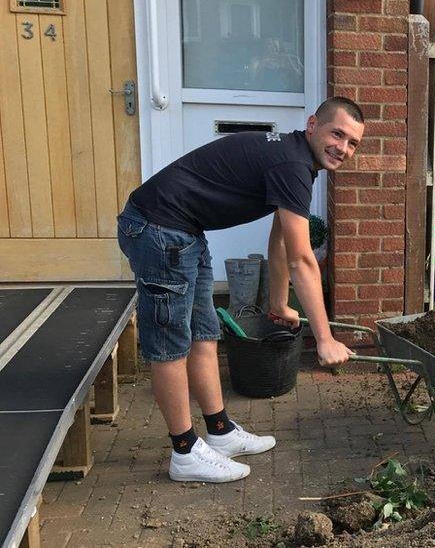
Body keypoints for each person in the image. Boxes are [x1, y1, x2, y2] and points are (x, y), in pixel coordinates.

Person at [117, 97, 364, 483]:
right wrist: (325, 338)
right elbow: (302, 259)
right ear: (313, 124)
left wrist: (280, 302)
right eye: (338, 134)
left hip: (183, 230)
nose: (344, 148)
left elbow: (281, 244)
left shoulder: (297, 162)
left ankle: (220, 433)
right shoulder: (293, 164)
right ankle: (184, 453)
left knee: (204, 334)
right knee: (169, 345)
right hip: (158, 228)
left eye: (353, 143)